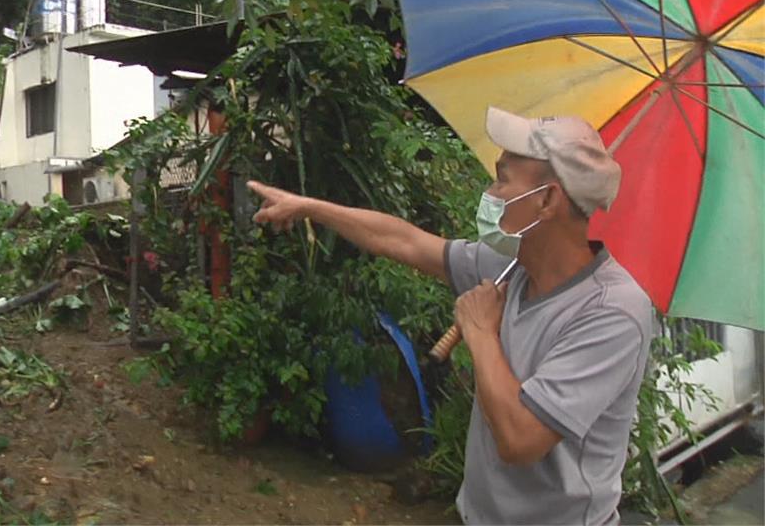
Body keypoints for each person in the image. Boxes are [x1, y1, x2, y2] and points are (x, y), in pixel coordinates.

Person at [247, 107, 653, 525]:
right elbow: (403, 241)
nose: (490, 192)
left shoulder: (612, 312)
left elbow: (520, 439)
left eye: (503, 178)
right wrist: (310, 207)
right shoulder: (508, 265)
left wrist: (479, 331)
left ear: (547, 199)